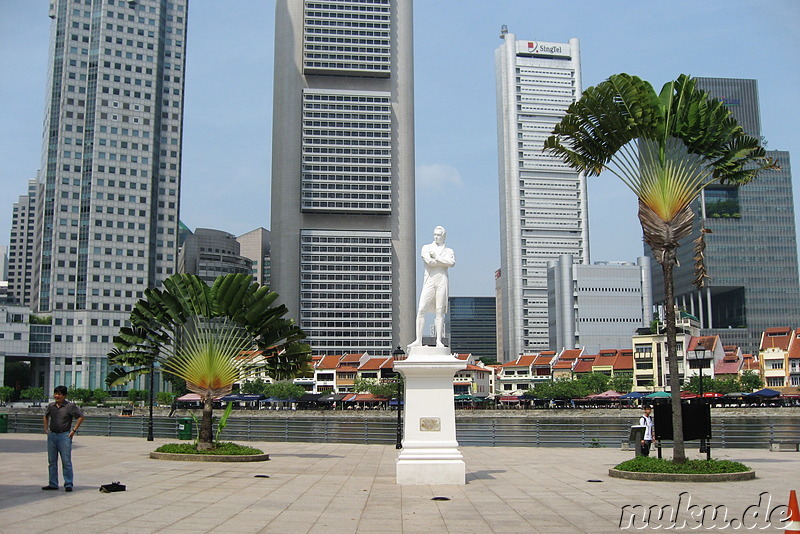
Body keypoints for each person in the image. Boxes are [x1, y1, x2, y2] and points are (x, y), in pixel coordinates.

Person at [409, 226, 455, 348]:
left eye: (439, 235)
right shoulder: (426, 248)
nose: (436, 237)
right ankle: (418, 340)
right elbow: (429, 262)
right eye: (435, 234)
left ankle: (438, 340)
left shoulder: (449, 250)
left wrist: (437, 257)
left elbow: (451, 263)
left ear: (444, 236)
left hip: (442, 281)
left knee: (439, 311)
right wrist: (440, 261)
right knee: (421, 309)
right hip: (429, 280)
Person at [42, 385, 85, 492]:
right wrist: (46, 429)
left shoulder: (69, 406)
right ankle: (53, 483)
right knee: (52, 461)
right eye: (55, 394)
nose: (57, 396)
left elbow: (81, 416)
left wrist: (73, 431)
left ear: (64, 395)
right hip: (52, 435)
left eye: (59, 394)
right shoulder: (51, 406)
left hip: (64, 435)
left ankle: (68, 483)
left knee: (66, 461)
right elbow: (45, 416)